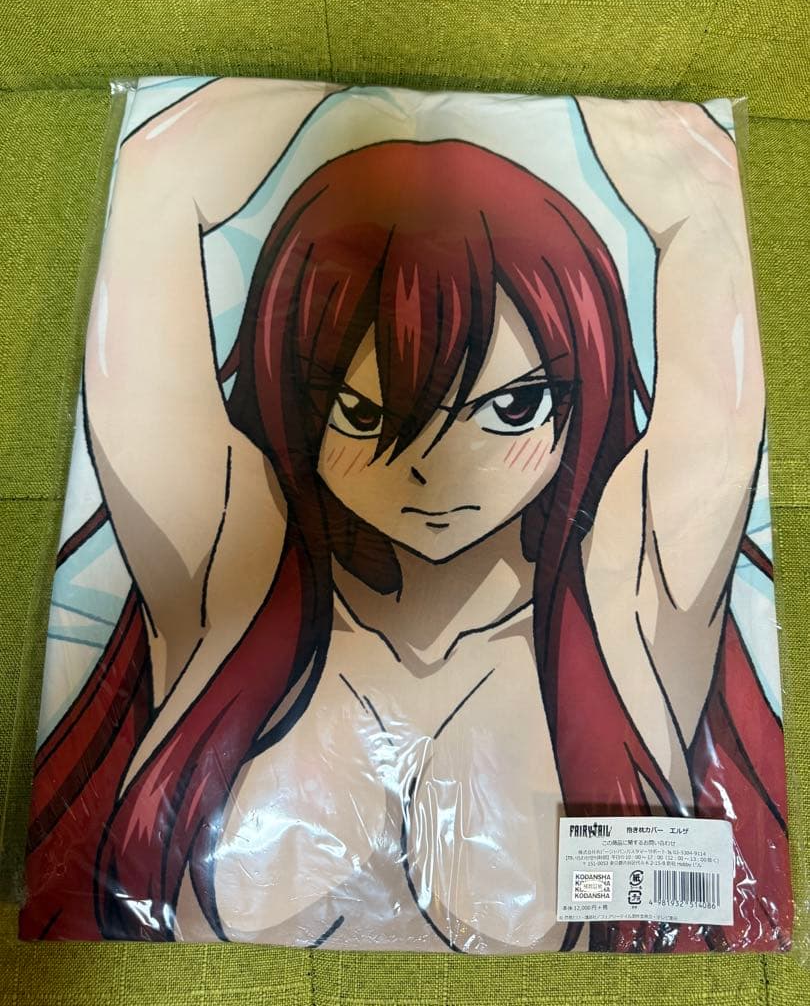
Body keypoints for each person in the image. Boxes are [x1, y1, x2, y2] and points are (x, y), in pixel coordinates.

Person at [21, 81, 790, 951]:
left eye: (512, 408)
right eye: (364, 414)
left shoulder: (623, 602)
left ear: (582, 393)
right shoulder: (238, 568)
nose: (433, 468)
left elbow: (700, 210)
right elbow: (156, 182)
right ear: (298, 399)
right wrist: (343, 85)